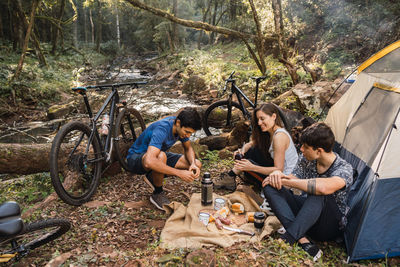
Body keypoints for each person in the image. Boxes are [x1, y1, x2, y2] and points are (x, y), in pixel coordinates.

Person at [264, 122, 353, 261]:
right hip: (306, 215)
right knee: (270, 186)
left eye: (305, 147)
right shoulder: (307, 159)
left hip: (328, 226)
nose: (301, 149)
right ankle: (302, 239)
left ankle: (289, 237)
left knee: (318, 192)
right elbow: (293, 178)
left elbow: (323, 188)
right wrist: (278, 176)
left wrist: (286, 181)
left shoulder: (344, 169)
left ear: (319, 151)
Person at [214, 103, 298, 199]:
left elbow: (279, 169)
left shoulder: (279, 137)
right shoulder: (271, 132)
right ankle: (231, 177)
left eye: (262, 119)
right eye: (258, 119)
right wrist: (242, 150)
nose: (259, 123)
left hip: (284, 180)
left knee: (249, 160)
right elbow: (252, 143)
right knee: (250, 150)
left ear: (274, 116)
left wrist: (252, 167)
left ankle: (230, 176)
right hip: (278, 173)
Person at [126, 107, 202, 210]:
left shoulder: (180, 128)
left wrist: (192, 163)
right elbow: (149, 161)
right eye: (187, 132)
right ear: (178, 123)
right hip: (135, 158)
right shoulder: (162, 129)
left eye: (190, 133)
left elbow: (188, 148)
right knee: (161, 156)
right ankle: (157, 193)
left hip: (155, 156)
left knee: (197, 164)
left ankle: (153, 176)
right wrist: (179, 173)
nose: (187, 135)